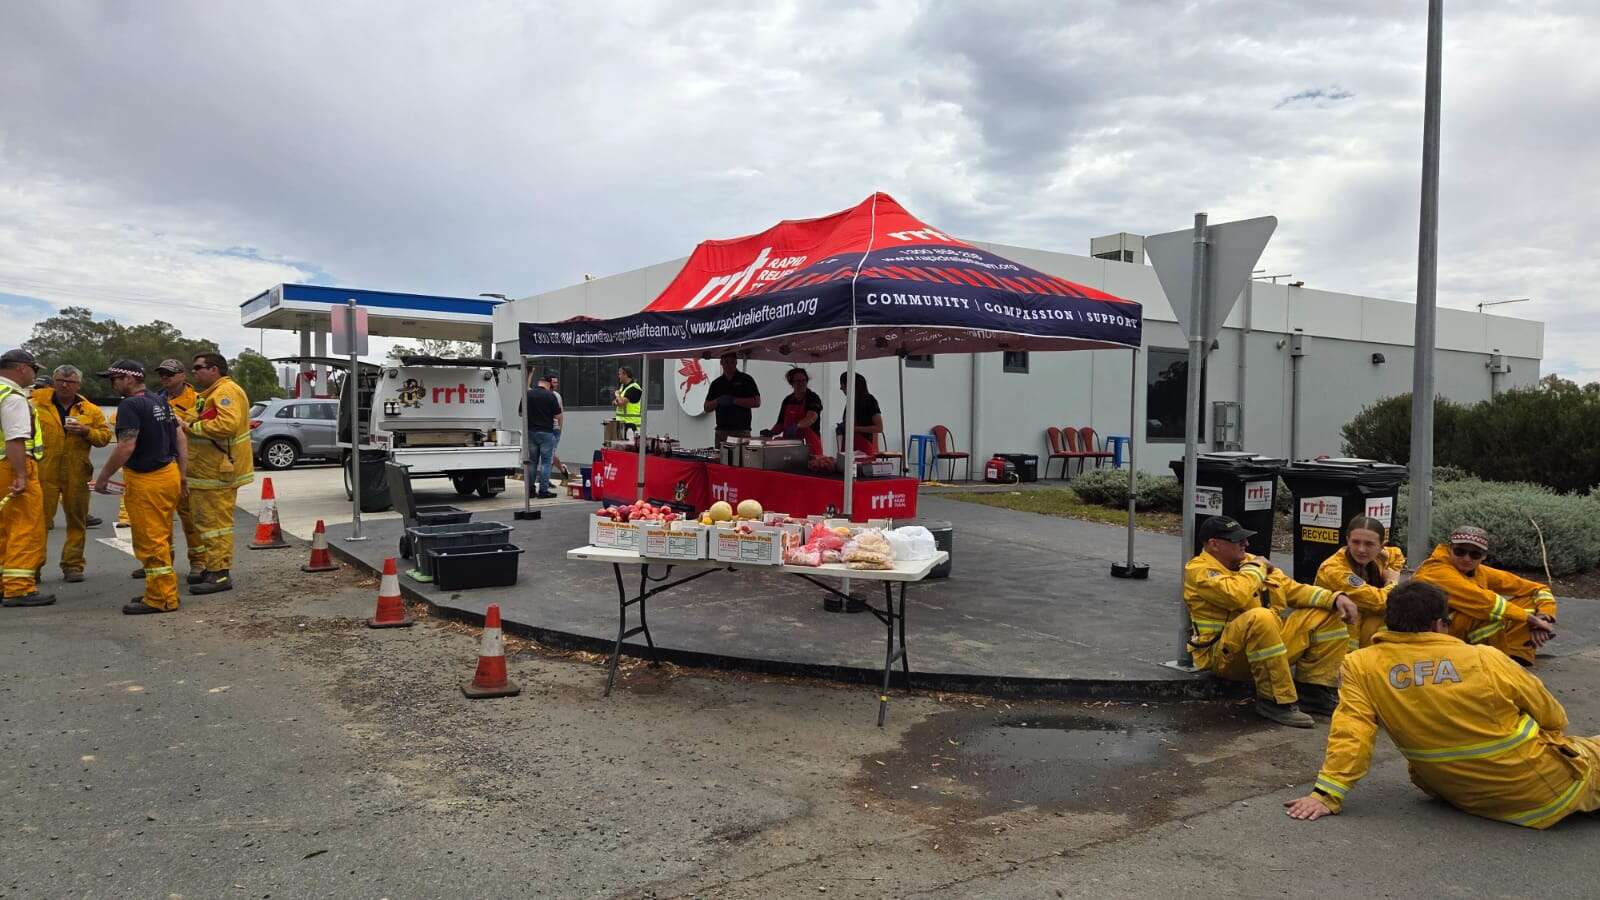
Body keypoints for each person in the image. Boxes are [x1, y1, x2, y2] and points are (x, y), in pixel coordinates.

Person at [1285, 580, 1600, 829]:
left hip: (1458, 792)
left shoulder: (1360, 664)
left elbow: (1352, 731)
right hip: (1543, 788)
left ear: (1388, 620)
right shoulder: (1482, 657)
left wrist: (1327, 793)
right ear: (1439, 624)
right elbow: (1553, 716)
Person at [1184, 515, 1359, 728]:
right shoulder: (1199, 570)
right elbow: (1235, 594)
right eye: (1238, 540)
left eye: (1245, 539)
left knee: (1327, 613)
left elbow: (1294, 589)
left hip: (1268, 649)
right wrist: (1255, 568)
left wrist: (1335, 598)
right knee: (1261, 617)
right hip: (1225, 657)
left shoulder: (1250, 563)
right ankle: (1274, 700)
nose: (1245, 544)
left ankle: (1314, 690)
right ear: (1214, 545)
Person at [92, 360, 187, 614]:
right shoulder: (160, 401)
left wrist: (103, 478)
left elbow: (126, 446)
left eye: (114, 379)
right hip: (168, 473)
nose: (112, 384)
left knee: (150, 539)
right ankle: (161, 589)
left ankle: (162, 598)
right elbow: (180, 437)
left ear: (129, 379)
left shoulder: (130, 405)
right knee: (162, 536)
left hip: (148, 479)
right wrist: (183, 475)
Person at [1412, 524, 1556, 666]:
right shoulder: (1436, 570)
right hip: (1427, 633)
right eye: (1460, 551)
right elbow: (1485, 602)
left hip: (1451, 628)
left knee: (1529, 601)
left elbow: (1537, 588)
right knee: (1487, 615)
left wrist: (1544, 616)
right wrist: (1534, 621)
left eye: (1475, 554)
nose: (1467, 558)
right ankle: (1493, 662)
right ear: (1450, 549)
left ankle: (1516, 655)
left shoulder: (1479, 571)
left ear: (1484, 556)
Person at [29, 365, 110, 583]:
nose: (64, 385)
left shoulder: (90, 410)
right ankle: (32, 568)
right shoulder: (36, 403)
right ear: (53, 381)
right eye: (60, 381)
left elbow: (104, 437)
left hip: (77, 471)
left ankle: (73, 565)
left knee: (77, 520)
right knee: (39, 522)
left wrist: (86, 432)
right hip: (44, 470)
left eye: (70, 382)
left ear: (78, 385)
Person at [184, 352, 254, 595]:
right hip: (208, 470)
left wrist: (193, 427)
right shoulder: (211, 394)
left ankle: (220, 574)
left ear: (214, 369)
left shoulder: (225, 392)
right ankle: (213, 568)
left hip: (218, 471)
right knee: (207, 522)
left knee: (216, 525)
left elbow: (227, 425)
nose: (194, 372)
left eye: (198, 367)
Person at [0, 349, 53, 607]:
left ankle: (4, 583)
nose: (35, 374)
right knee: (25, 527)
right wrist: (21, 474)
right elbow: (15, 439)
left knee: (4, 528)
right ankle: (19, 588)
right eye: (35, 368)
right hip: (12, 467)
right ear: (22, 368)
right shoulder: (13, 397)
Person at [1314, 516, 1406, 650]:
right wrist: (1392, 582)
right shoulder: (1334, 570)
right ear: (1347, 541)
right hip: (1334, 631)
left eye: (1369, 544)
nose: (1361, 549)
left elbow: (1397, 554)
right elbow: (1379, 601)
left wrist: (1389, 567)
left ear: (1382, 545)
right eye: (1355, 542)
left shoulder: (1381, 555)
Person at [762, 366, 824, 456]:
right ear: (792, 383)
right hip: (790, 447)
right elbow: (780, 424)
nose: (801, 383)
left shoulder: (812, 397)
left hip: (810, 446)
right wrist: (771, 432)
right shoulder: (787, 400)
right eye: (798, 381)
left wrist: (796, 426)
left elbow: (812, 417)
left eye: (804, 380)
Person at [703, 352, 761, 445]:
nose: (729, 365)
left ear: (736, 362)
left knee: (742, 459)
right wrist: (717, 401)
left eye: (732, 362)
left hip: (741, 431)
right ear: (721, 363)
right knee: (720, 459)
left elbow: (756, 402)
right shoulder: (716, 383)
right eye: (726, 362)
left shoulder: (746, 379)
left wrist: (734, 400)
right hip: (721, 431)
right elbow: (706, 407)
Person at [525, 374, 563, 499]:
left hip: (530, 432)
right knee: (546, 463)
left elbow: (521, 413)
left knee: (532, 462)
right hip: (546, 433)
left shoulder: (527, 394)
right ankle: (543, 491)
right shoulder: (550, 395)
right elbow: (558, 416)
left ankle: (530, 490)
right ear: (547, 384)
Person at [836, 372, 883, 458]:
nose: (841, 388)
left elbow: (879, 427)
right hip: (849, 448)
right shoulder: (850, 402)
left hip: (864, 450)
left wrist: (855, 429)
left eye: (843, 385)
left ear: (850, 385)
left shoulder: (869, 400)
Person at [611, 366, 643, 438]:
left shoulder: (634, 388)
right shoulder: (623, 387)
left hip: (631, 427)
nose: (618, 376)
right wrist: (617, 401)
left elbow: (621, 403)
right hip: (622, 425)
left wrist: (617, 395)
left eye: (620, 374)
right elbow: (615, 402)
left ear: (625, 374)